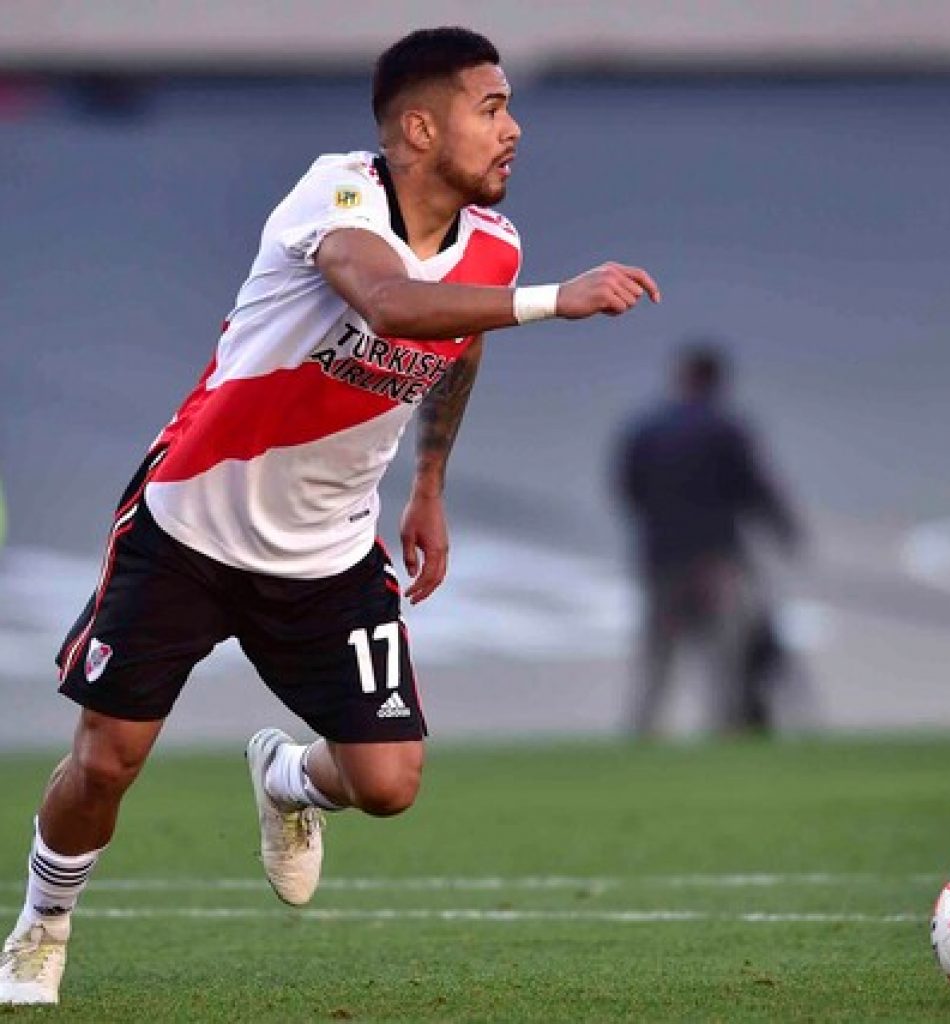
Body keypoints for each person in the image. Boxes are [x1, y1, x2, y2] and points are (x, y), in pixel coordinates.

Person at [0, 26, 660, 1006]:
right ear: (420, 128)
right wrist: (555, 300)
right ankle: (43, 924)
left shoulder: (495, 245)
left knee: (388, 783)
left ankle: (289, 781)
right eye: (491, 108)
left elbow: (460, 338)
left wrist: (428, 482)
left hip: (331, 553)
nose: (513, 129)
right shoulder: (337, 193)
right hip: (190, 528)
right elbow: (390, 304)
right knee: (106, 763)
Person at [615, 341, 800, 738]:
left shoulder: (648, 430)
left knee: (659, 651)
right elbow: (755, 488)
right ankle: (727, 727)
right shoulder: (726, 429)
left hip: (662, 554)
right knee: (723, 650)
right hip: (715, 557)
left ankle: (644, 729)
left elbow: (628, 487)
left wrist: (659, 522)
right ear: (717, 381)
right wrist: (786, 532)